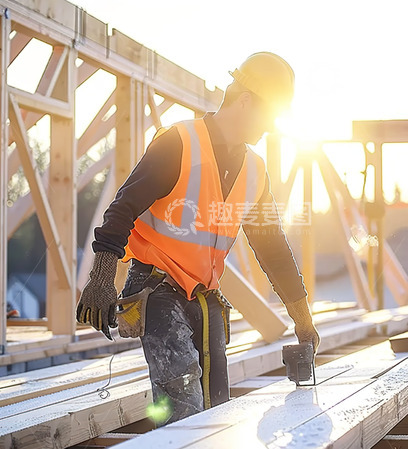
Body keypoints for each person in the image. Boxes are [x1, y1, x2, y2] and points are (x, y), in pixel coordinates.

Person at [76, 52, 320, 425]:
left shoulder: (254, 170)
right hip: (155, 291)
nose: (270, 127)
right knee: (184, 409)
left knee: (216, 409)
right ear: (245, 101)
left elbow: (272, 246)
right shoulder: (178, 143)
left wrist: (302, 318)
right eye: (269, 115)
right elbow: (121, 210)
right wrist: (101, 278)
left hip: (204, 299)